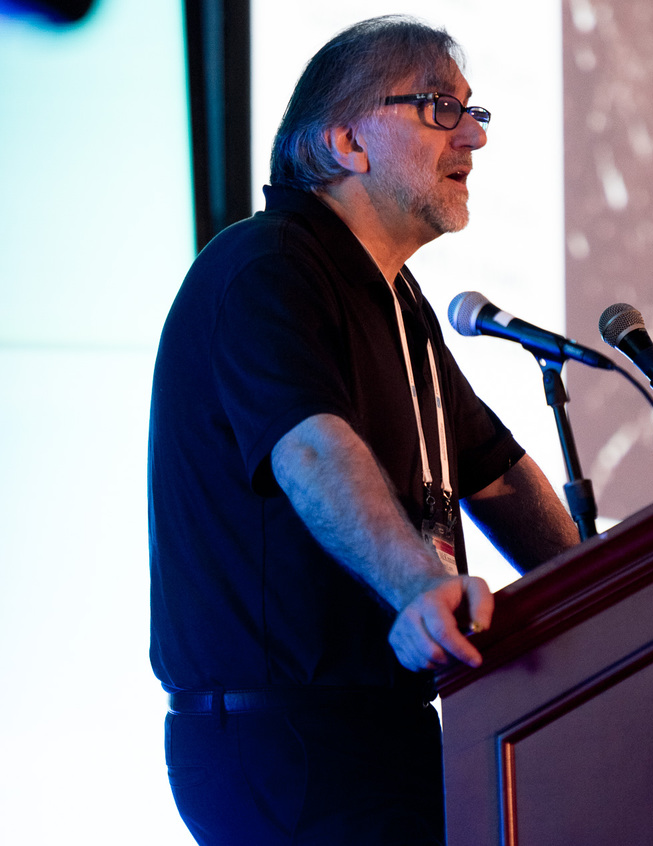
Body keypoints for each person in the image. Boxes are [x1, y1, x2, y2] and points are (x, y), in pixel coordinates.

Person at [147, 14, 579, 846]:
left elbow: (495, 472)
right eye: (440, 108)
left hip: (388, 727)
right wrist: (417, 586)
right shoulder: (267, 266)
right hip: (286, 740)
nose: (474, 136)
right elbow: (310, 446)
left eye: (474, 111)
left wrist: (620, 588)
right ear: (346, 140)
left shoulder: (399, 299)